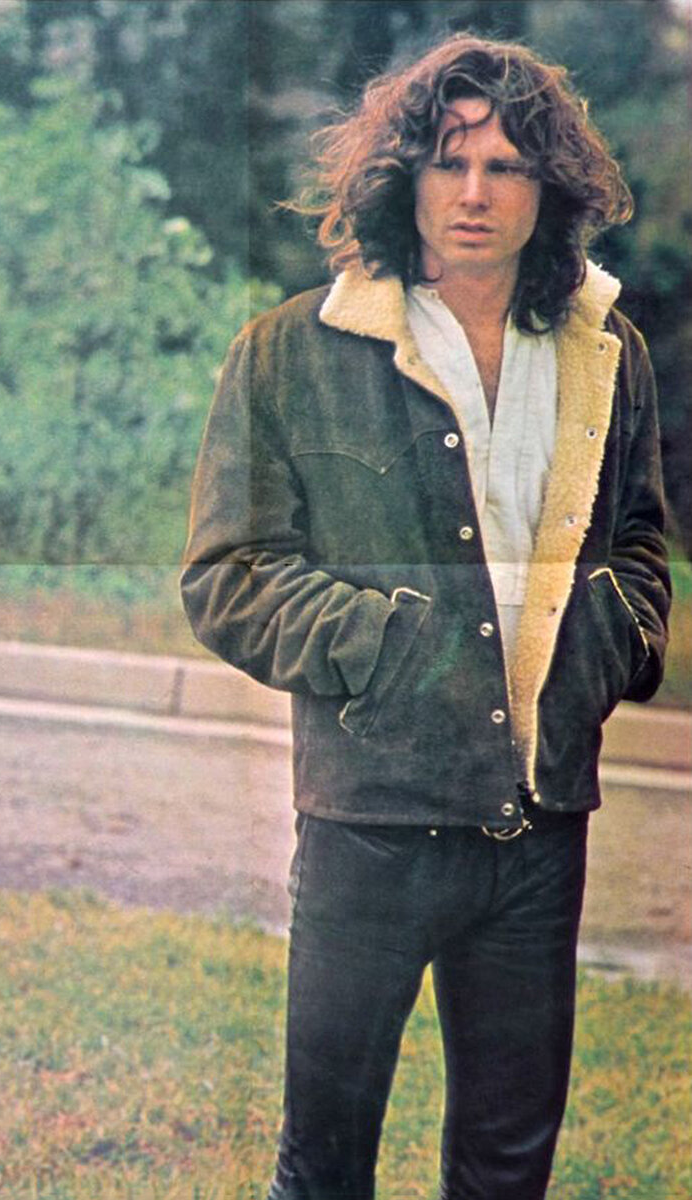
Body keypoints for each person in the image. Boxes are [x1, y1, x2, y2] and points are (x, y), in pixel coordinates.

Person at [180, 33, 671, 1200]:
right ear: (402, 175)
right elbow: (227, 574)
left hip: (536, 827)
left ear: (549, 187)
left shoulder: (606, 352)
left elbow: (640, 550)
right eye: (448, 160)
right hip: (369, 827)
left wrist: (608, 644)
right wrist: (386, 643)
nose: (472, 193)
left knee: (504, 1171)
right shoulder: (293, 350)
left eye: (505, 166)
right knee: (322, 1166)